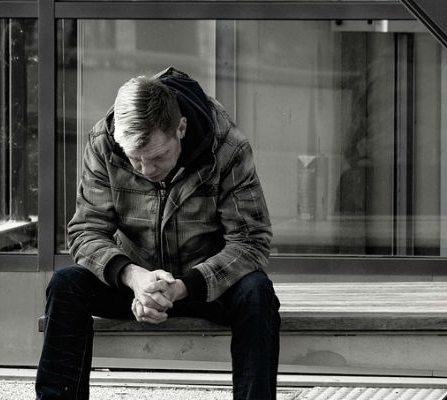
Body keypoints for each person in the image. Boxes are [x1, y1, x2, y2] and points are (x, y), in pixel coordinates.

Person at [36, 67, 280, 400]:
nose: (147, 170)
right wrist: (133, 278)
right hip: (134, 283)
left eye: (158, 157)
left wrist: (183, 286)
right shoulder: (104, 142)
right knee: (66, 284)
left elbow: (251, 241)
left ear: (181, 128)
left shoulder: (227, 147)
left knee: (257, 292)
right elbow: (85, 231)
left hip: (205, 285)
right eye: (134, 160)